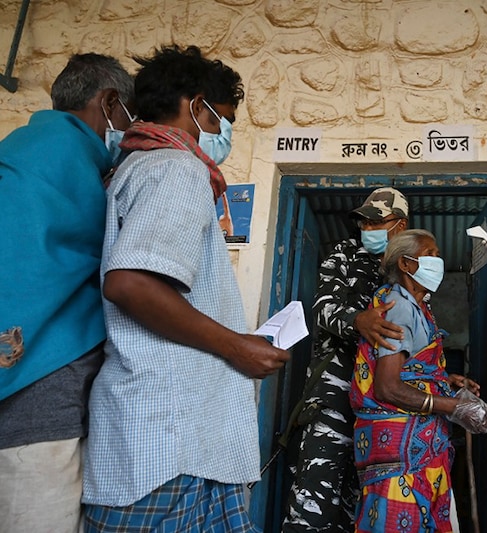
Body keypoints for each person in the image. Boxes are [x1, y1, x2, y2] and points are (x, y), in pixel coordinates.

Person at [81, 45, 290, 531]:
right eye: (222, 120)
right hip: (169, 444)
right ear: (196, 106)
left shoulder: (135, 167)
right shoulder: (176, 168)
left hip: (175, 437)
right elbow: (130, 284)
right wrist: (237, 347)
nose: (224, 134)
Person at [0, 53, 134, 533]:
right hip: (36, 390)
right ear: (110, 103)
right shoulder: (71, 161)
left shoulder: (22, 147)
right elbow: (123, 277)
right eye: (129, 117)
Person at [351, 229, 487, 533]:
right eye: (430, 254)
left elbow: (408, 368)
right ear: (406, 265)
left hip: (415, 448)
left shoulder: (419, 307)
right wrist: (453, 406)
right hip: (399, 451)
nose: (439, 261)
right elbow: (388, 386)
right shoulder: (399, 306)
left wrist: (444, 379)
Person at [283, 187, 410, 533]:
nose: (367, 230)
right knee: (314, 496)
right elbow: (322, 308)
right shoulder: (345, 254)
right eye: (364, 223)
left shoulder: (407, 270)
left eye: (376, 222)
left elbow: (416, 337)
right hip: (334, 395)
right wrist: (358, 321)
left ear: (399, 225)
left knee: (362, 504)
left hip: (382, 406)